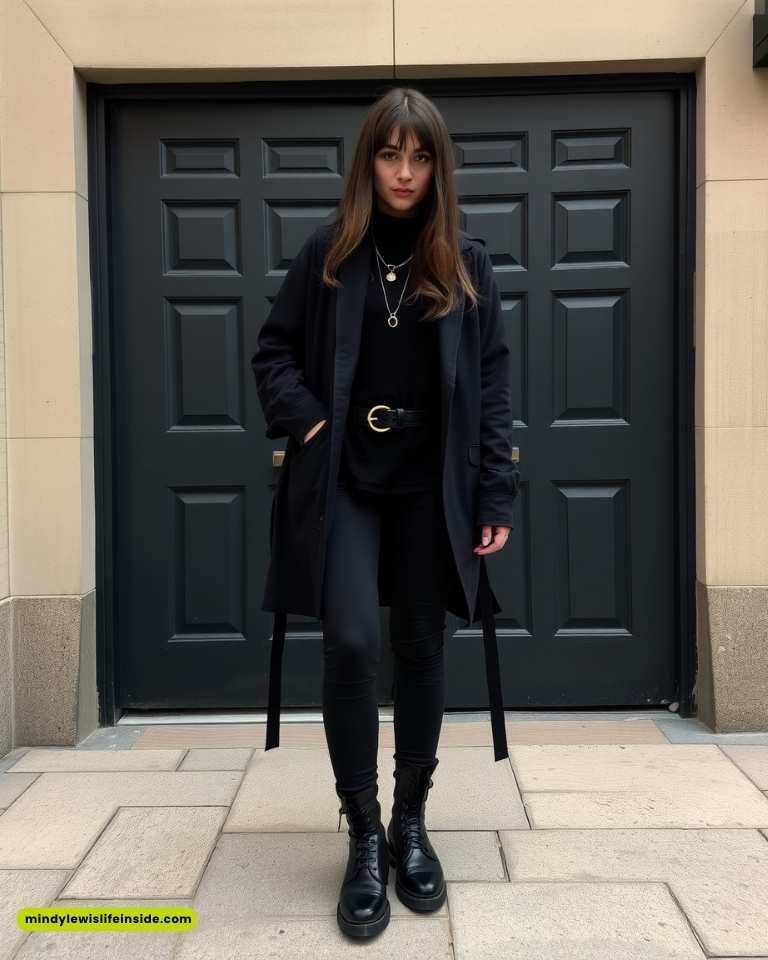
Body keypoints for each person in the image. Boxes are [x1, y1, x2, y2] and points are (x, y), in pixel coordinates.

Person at [251, 87, 519, 940]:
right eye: (389, 154)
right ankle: (362, 830)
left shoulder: (466, 264)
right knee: (353, 642)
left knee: (418, 644)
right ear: (368, 160)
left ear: (438, 166)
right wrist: (314, 421)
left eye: (420, 156)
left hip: (429, 485)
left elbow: (493, 388)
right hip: (346, 483)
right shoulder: (327, 254)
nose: (404, 172)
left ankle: (411, 823)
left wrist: (494, 491)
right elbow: (273, 353)